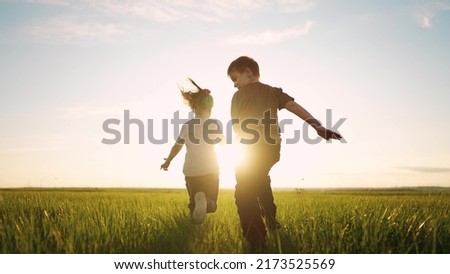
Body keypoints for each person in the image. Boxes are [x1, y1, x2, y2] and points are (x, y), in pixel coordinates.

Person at [227, 56, 343, 251]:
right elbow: (293, 106)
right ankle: (271, 221)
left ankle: (257, 240)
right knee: (260, 180)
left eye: (235, 79)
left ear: (247, 72)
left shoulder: (238, 97)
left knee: (243, 192)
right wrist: (316, 126)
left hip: (249, 149)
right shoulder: (274, 92)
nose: (234, 85)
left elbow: (236, 125)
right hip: (271, 149)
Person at [160, 79, 222, 224]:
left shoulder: (186, 126)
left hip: (191, 171)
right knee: (211, 204)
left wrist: (168, 161)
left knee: (194, 204)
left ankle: (193, 225)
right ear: (210, 109)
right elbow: (224, 142)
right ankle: (206, 201)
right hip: (210, 170)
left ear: (193, 108)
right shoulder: (213, 124)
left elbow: (177, 146)